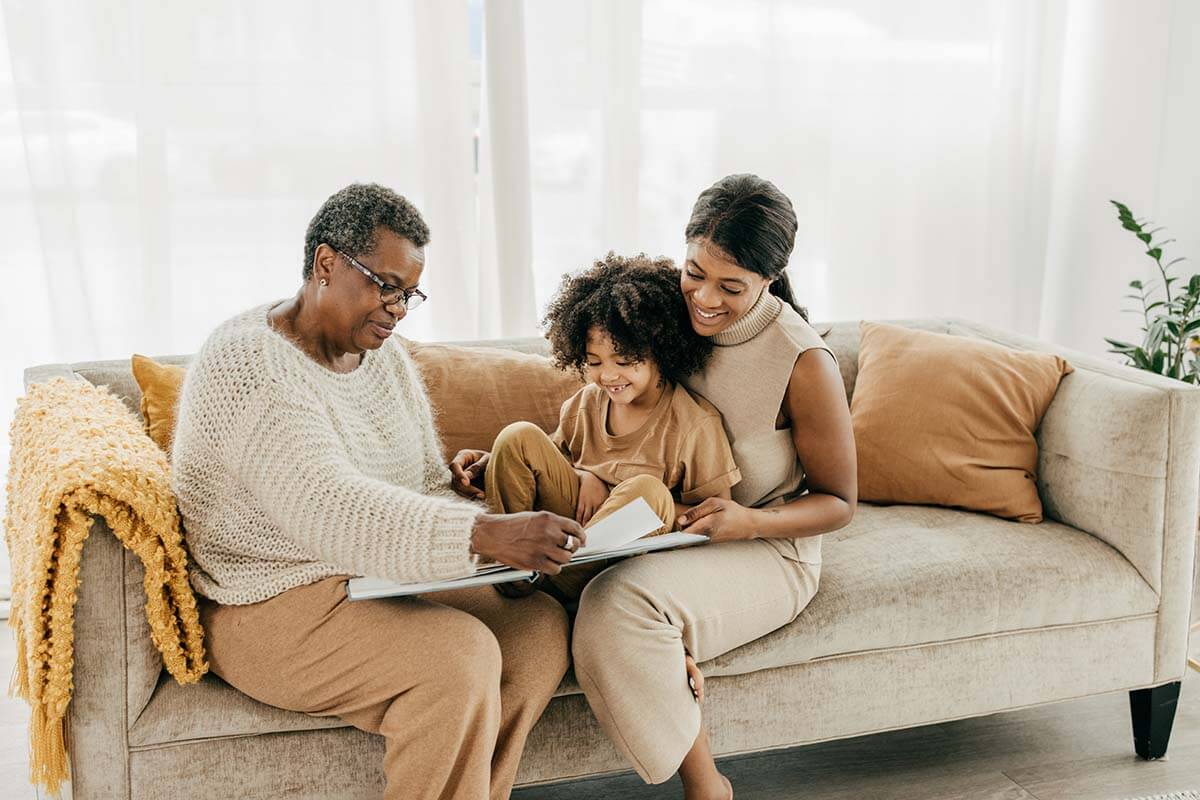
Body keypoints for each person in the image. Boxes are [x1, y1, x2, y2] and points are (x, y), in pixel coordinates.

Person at [172, 183, 586, 800]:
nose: (397, 308)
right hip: (265, 600)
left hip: (370, 577)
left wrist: (459, 494)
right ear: (326, 263)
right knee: (458, 657)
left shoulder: (381, 358)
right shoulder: (249, 364)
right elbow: (330, 508)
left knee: (537, 629)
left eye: (408, 293)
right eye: (383, 284)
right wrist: (483, 534)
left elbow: (414, 484)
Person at [570, 174, 858, 800]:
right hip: (662, 532)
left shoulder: (802, 361)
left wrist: (747, 523)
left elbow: (839, 503)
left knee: (616, 607)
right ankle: (669, 652)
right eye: (694, 272)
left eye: (732, 288)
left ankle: (708, 789)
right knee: (550, 573)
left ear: (770, 280)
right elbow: (607, 396)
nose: (703, 298)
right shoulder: (669, 311)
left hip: (762, 545)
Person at [451, 253, 741, 604]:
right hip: (564, 530)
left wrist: (617, 493)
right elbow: (545, 468)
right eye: (594, 363)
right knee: (518, 436)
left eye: (624, 362)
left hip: (620, 557)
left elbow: (714, 521)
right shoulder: (586, 403)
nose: (608, 376)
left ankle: (562, 579)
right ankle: (514, 567)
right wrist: (584, 475)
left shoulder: (695, 425)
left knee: (649, 491)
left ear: (660, 352)